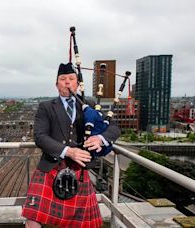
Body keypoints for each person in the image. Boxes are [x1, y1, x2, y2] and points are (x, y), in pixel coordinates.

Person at [22, 62, 120, 227]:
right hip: (50, 168)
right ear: (56, 84)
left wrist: (100, 139)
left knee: (85, 224)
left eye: (71, 78)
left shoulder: (90, 104)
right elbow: (40, 136)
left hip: (80, 170)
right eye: (63, 79)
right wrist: (68, 151)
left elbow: (114, 127)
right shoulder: (45, 107)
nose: (67, 82)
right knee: (33, 218)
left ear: (77, 83)